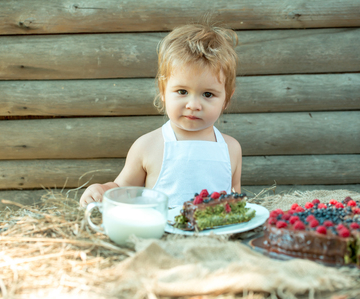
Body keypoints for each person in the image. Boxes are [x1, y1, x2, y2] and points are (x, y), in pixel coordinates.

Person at [80, 23, 241, 207]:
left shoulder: (231, 149)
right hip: (161, 235)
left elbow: (236, 200)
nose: (193, 105)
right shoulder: (147, 146)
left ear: (226, 99)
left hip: (214, 235)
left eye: (208, 94)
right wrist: (101, 190)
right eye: (182, 91)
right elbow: (121, 189)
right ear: (163, 91)